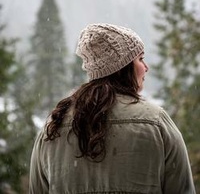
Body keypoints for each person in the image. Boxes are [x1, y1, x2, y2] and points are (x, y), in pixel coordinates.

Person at [29, 23, 196, 194]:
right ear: (123, 67)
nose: (146, 67)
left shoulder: (54, 126)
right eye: (140, 59)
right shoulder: (156, 121)